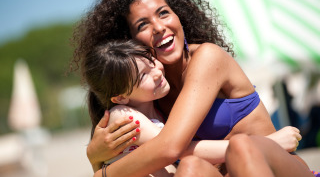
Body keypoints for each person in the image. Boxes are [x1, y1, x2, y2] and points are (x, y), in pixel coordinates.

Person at [71, 0, 313, 176]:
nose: (158, 27)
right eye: (143, 25)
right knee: (189, 168)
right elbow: (143, 157)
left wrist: (101, 176)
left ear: (179, 16)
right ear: (130, 43)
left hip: (276, 167)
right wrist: (95, 158)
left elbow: (169, 148)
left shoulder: (208, 58)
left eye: (163, 13)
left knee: (241, 147)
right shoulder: (149, 94)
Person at [81, 39, 301, 177]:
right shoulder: (125, 116)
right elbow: (174, 148)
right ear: (119, 97)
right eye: (143, 76)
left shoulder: (154, 109)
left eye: (151, 62)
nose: (157, 71)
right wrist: (269, 143)